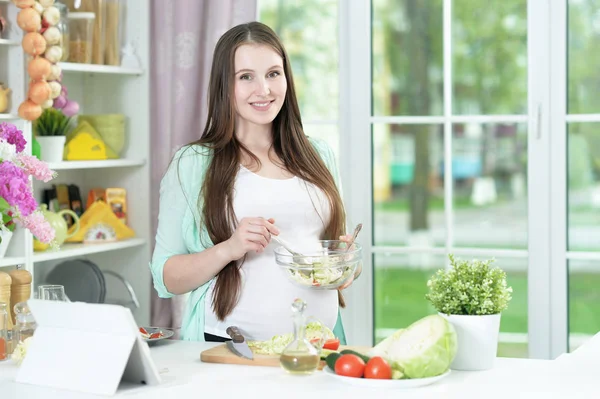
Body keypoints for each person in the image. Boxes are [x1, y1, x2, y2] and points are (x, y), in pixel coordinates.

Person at [149, 21, 359, 343]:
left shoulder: (319, 154)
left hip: (317, 345)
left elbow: (334, 250)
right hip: (229, 350)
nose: (264, 89)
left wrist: (345, 265)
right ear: (225, 86)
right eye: (246, 77)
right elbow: (167, 277)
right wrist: (230, 248)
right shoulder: (193, 163)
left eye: (274, 74)